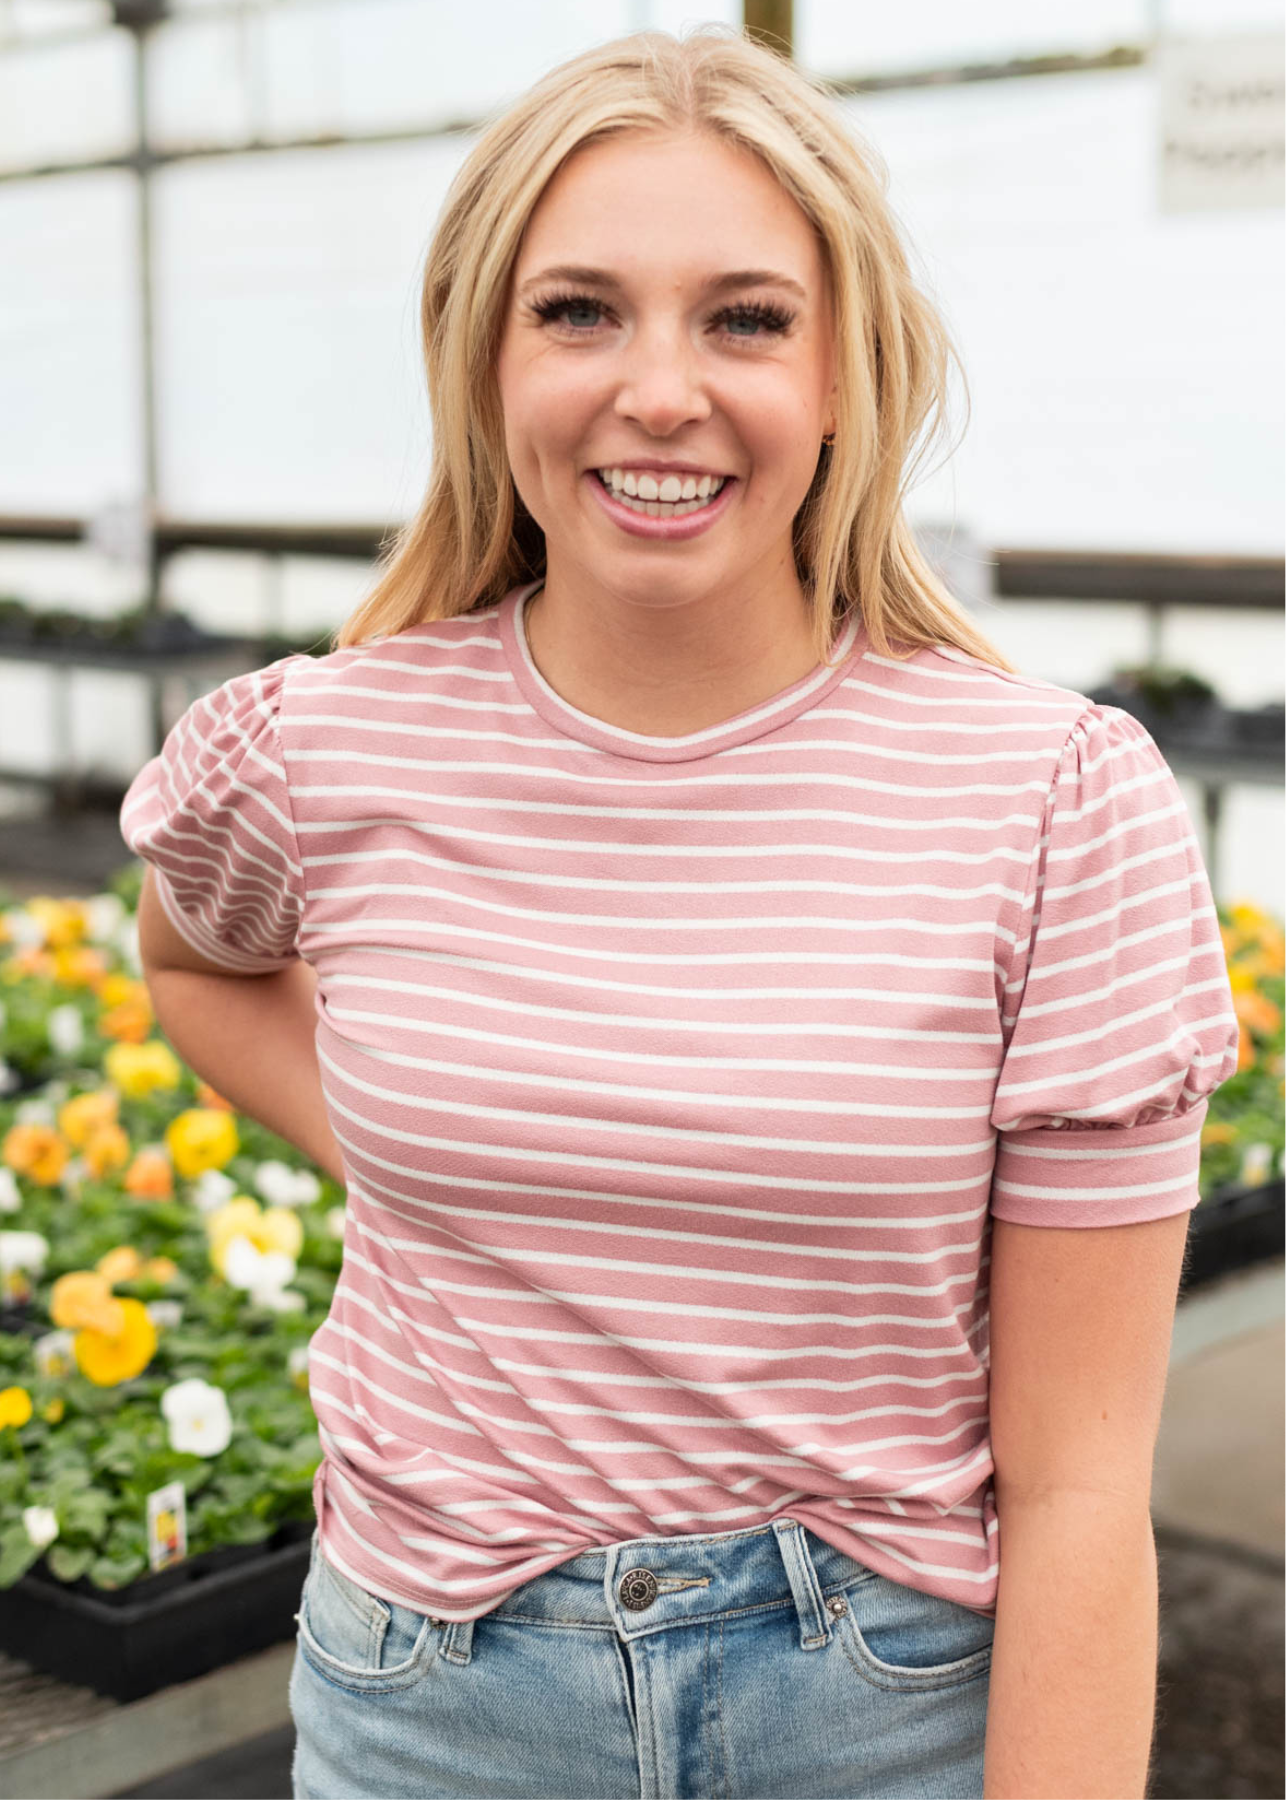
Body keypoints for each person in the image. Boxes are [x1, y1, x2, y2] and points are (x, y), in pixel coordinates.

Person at [119, 26, 1241, 1800]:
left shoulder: (1051, 800)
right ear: (480, 358)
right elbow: (189, 958)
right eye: (577, 311)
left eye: (744, 317)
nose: (659, 389)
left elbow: (1085, 1488)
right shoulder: (318, 747)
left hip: (876, 1711)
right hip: (426, 1699)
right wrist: (441, 1167)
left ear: (845, 369)